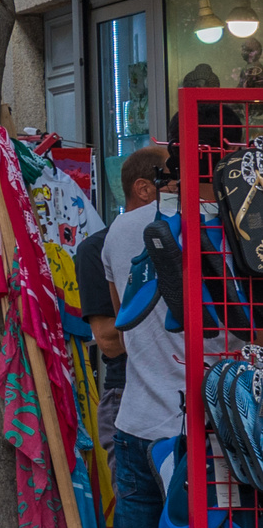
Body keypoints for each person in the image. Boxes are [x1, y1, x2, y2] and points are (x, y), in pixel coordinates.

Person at [103, 145, 191, 528]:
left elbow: (122, 325)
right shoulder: (228, 222)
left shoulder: (119, 231)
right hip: (201, 430)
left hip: (137, 420)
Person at [75, 160, 158, 453]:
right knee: (136, 494)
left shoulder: (183, 235)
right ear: (144, 189)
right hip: (127, 389)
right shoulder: (97, 248)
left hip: (180, 389)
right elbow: (108, 340)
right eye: (172, 186)